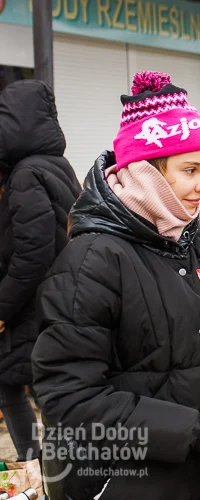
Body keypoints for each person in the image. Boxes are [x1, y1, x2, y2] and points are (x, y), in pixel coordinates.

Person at [31, 72, 200, 500]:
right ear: (146, 173)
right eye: (190, 170)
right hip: (123, 482)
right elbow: (68, 399)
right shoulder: (92, 262)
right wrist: (196, 433)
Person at [0, 80, 81, 463]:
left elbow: (33, 253)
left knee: (14, 385)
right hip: (61, 298)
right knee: (48, 387)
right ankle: (56, 466)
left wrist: (2, 307)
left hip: (33, 304)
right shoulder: (58, 166)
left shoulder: (25, 175)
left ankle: (37, 466)